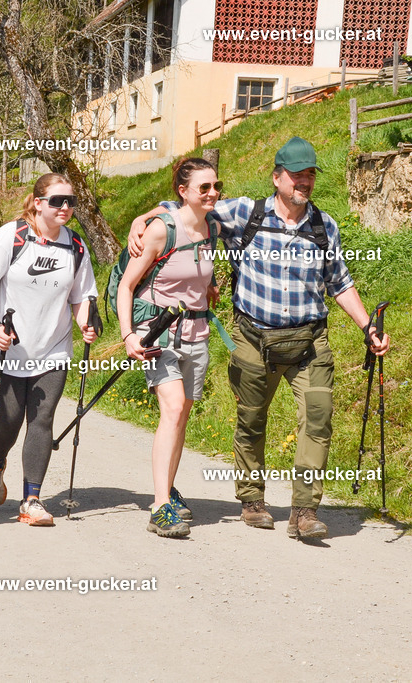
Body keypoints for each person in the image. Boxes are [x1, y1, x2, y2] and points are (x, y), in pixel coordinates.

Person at [127, 137, 390, 539]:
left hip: (309, 341)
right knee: (251, 421)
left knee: (318, 418)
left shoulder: (324, 226)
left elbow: (340, 283)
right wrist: (143, 217)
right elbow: (187, 208)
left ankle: (303, 511)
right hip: (253, 337)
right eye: (296, 174)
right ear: (277, 177)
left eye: (310, 174)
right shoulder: (244, 213)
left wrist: (366, 326)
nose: (304, 181)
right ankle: (251, 500)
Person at [0, 172, 98, 527]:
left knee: (42, 419)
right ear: (38, 202)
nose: (65, 208)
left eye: (70, 201)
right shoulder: (11, 237)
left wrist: (87, 322)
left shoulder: (75, 246)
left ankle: (32, 499)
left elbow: (81, 296)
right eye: (57, 201)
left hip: (53, 348)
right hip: (8, 345)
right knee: (8, 420)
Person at [117, 158, 226, 539]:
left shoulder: (213, 223)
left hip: (197, 331)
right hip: (158, 330)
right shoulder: (162, 231)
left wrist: (208, 289)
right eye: (205, 188)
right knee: (174, 407)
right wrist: (129, 335)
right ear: (184, 191)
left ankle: (169, 488)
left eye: (217, 186)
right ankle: (160, 506)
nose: (213, 192)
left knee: (182, 417)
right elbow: (127, 286)